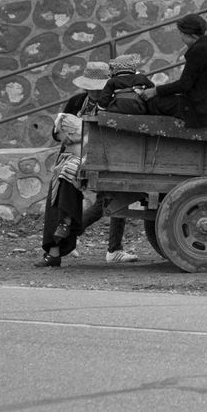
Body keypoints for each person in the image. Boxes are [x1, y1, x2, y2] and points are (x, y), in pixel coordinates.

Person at [78, 53, 153, 263]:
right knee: (106, 204)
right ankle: (66, 238)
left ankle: (112, 247)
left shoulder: (102, 98)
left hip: (112, 156)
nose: (92, 91)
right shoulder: (94, 100)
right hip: (109, 158)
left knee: (115, 201)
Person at [36, 60, 111, 267]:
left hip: (99, 156)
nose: (94, 93)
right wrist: (63, 137)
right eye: (91, 89)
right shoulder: (77, 102)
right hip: (71, 155)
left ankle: (65, 227)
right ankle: (55, 247)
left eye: (99, 89)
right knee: (59, 187)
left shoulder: (112, 104)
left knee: (68, 175)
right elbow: (56, 130)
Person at [142, 13, 207, 127]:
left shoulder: (198, 51)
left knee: (154, 103)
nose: (181, 37)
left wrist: (155, 91)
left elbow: (184, 85)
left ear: (190, 35)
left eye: (181, 33)